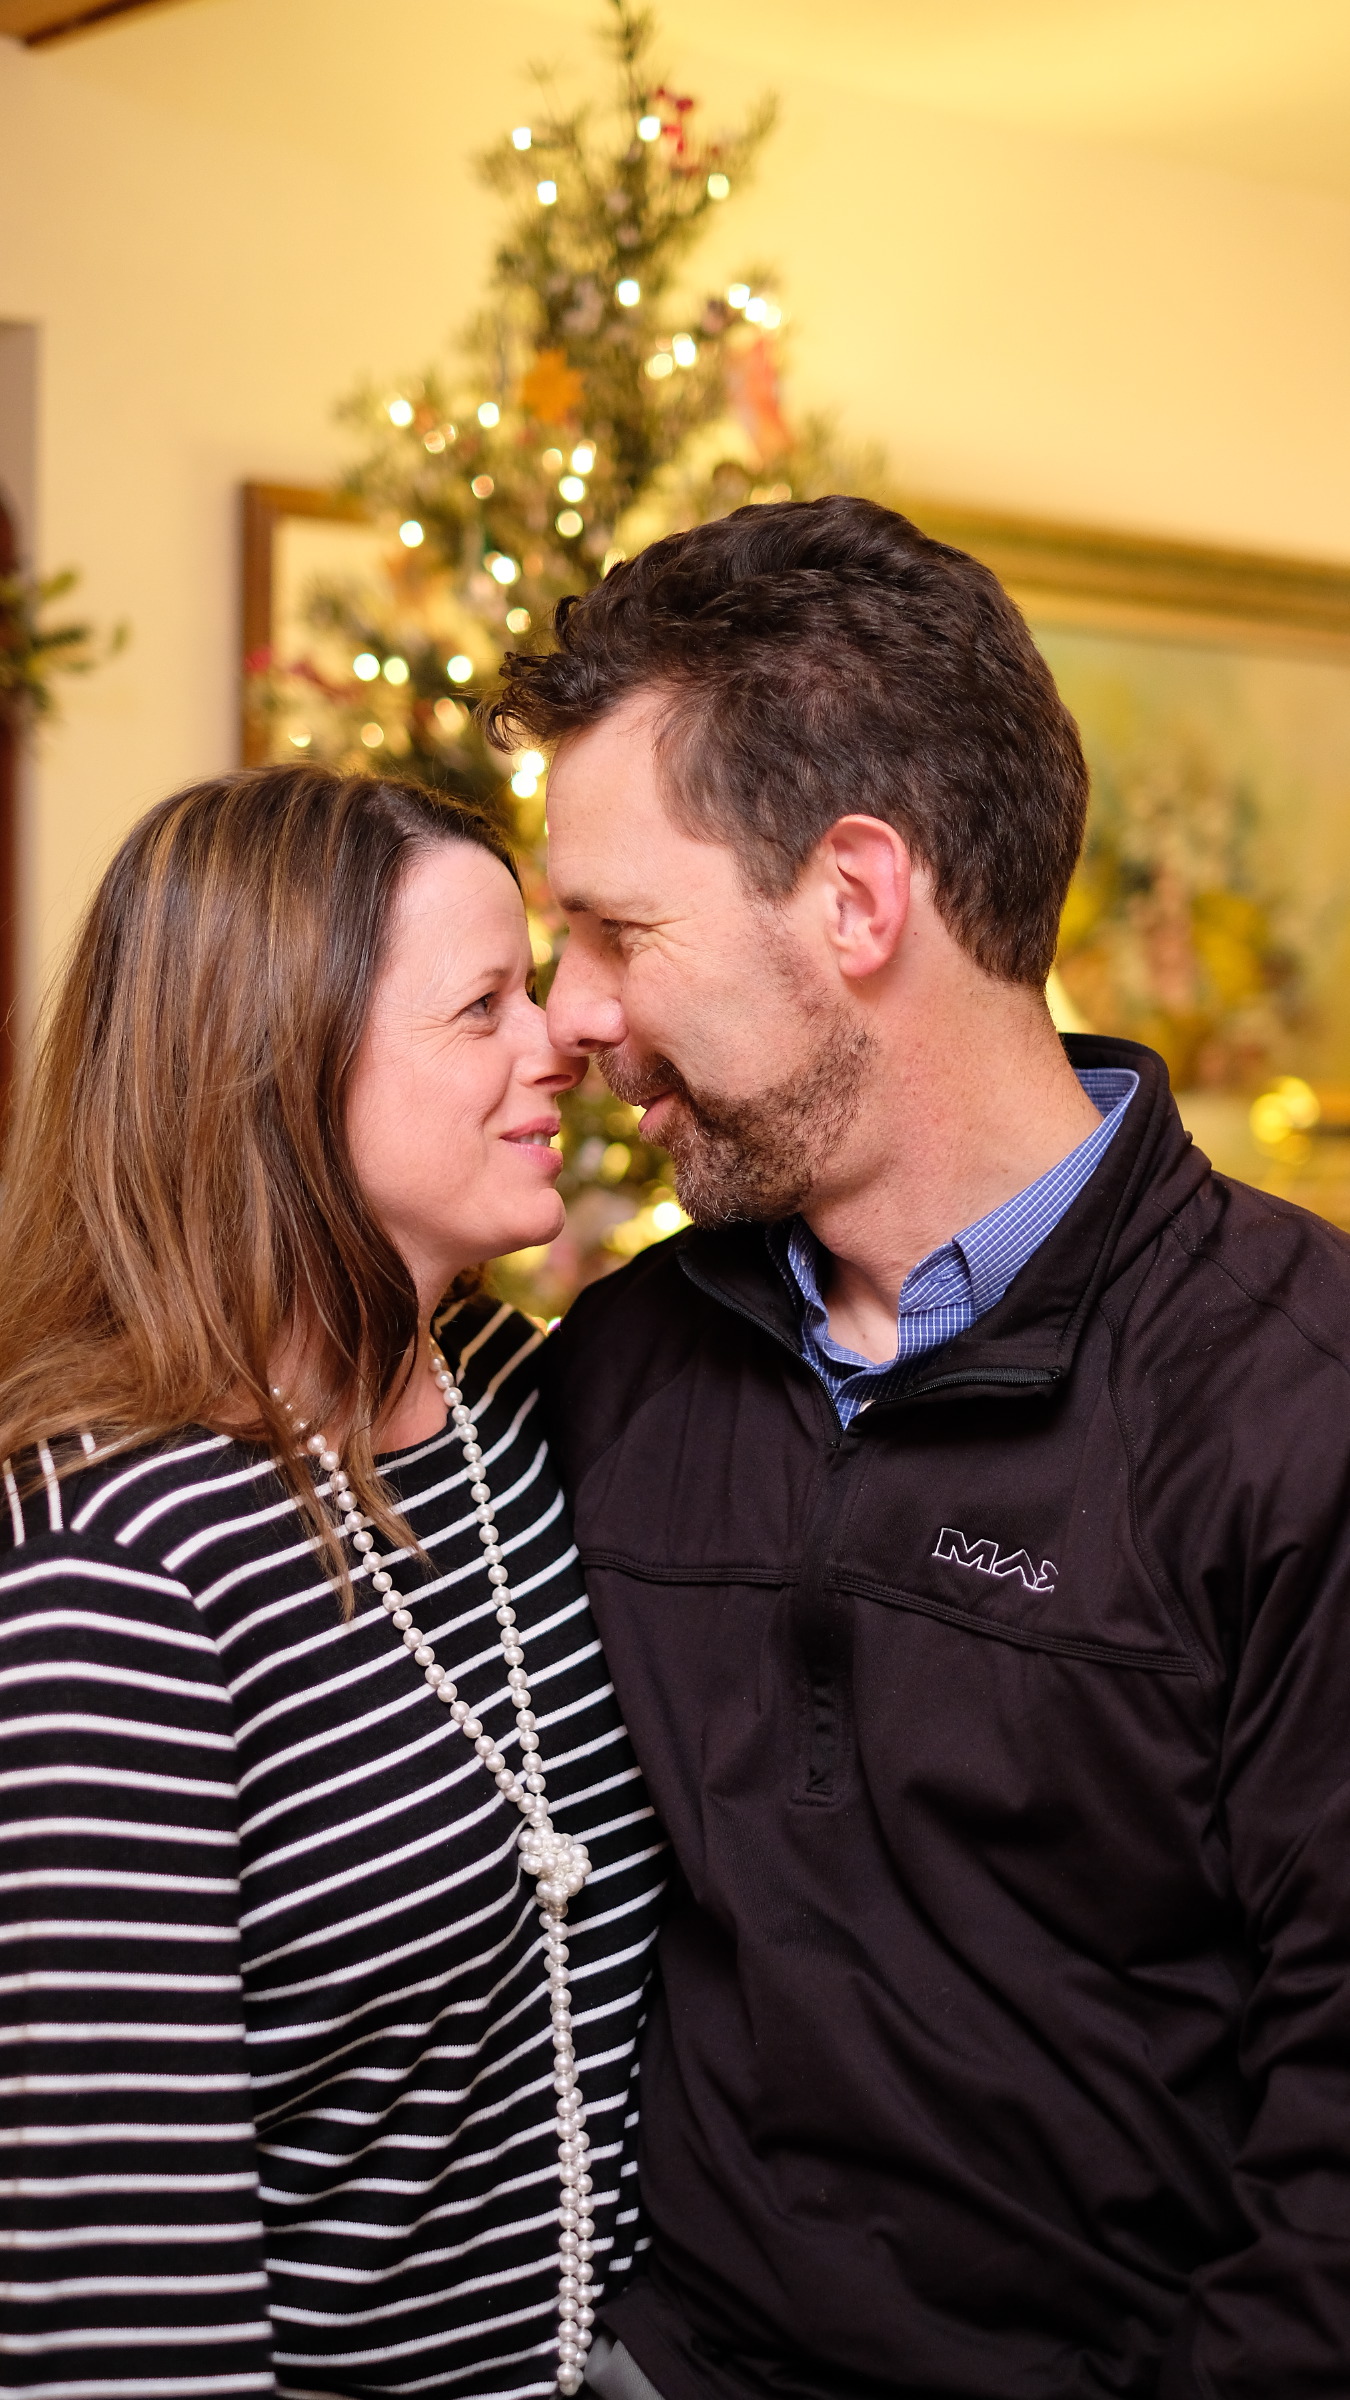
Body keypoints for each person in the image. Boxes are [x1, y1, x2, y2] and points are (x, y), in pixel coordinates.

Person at [487, 496, 1350, 2400]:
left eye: (619, 929)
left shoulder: (1301, 1402)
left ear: (856, 898)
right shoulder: (619, 1370)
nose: (573, 1016)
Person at [0, 765, 663, 2399]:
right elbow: (112, 2284)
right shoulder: (112, 1564)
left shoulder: (530, 1403)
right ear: (278, 1069)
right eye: (481, 1007)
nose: (557, 1043)